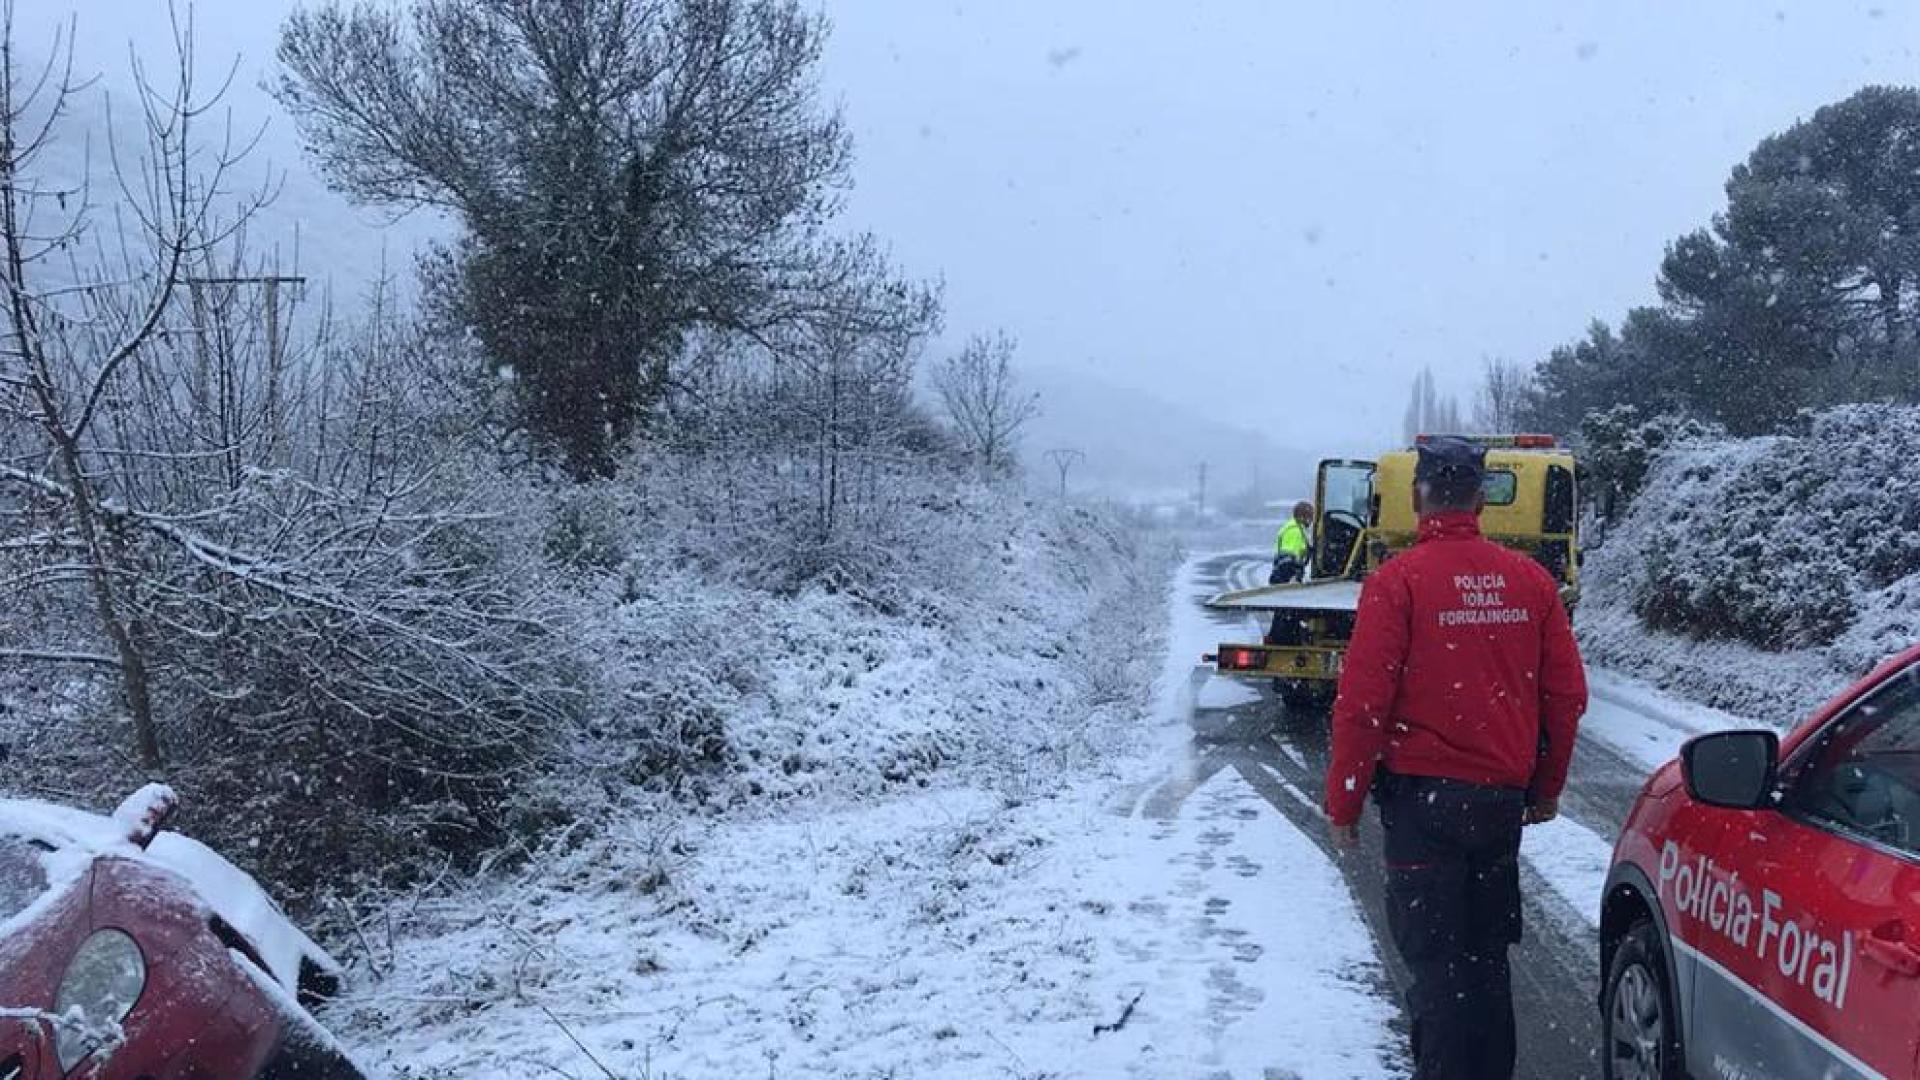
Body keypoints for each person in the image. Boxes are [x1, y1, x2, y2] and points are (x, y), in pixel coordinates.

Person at [1322, 436, 1588, 1080]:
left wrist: (1345, 801)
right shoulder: (1531, 582)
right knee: (1486, 960)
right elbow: (1566, 696)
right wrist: (1546, 786)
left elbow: (1363, 705)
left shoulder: (1397, 583)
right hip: (1498, 804)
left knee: (1437, 966)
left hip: (1423, 807)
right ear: (1478, 500)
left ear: (1419, 497)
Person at [1269, 500, 1315, 585]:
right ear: (1302, 517)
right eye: (1310, 517)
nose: (1311, 521)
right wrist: (1296, 574)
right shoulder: (1294, 531)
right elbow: (1288, 558)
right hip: (1285, 577)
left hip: (1282, 575)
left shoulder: (1296, 528)